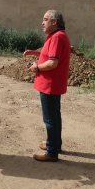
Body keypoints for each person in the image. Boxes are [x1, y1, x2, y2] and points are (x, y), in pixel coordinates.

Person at [23, 10, 71, 162]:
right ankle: (55, 144)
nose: (42, 22)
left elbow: (52, 63)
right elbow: (49, 55)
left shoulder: (57, 37)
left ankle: (52, 152)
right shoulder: (57, 36)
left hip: (50, 85)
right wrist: (35, 53)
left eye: (45, 19)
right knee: (54, 117)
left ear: (54, 22)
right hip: (53, 85)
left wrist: (36, 67)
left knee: (50, 119)